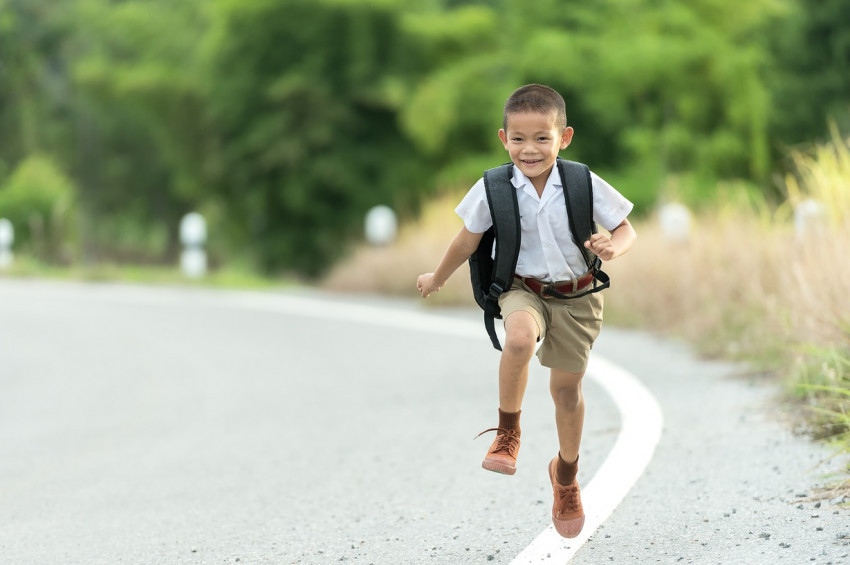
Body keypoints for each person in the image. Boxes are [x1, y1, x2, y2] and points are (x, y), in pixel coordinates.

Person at [416, 84, 636, 538]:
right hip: (523, 289)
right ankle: (508, 434)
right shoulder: (493, 187)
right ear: (503, 138)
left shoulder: (580, 182)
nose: (529, 149)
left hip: (577, 296)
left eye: (542, 138)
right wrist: (437, 276)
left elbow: (624, 227)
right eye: (519, 138)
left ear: (564, 137)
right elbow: (467, 239)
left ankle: (566, 475)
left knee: (566, 394)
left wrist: (613, 247)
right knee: (517, 339)